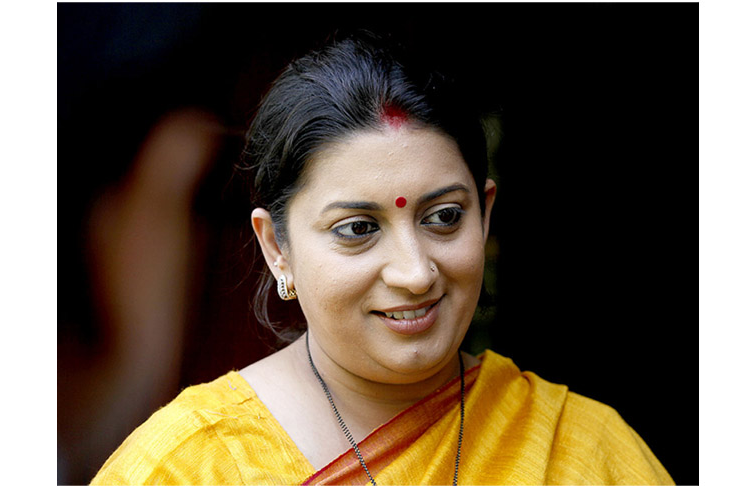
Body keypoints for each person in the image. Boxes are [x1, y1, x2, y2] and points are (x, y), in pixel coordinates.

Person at [92, 34, 673, 485]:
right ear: (277, 248)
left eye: (444, 217)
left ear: (486, 213)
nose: (416, 273)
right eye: (358, 229)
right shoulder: (187, 467)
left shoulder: (585, 452)